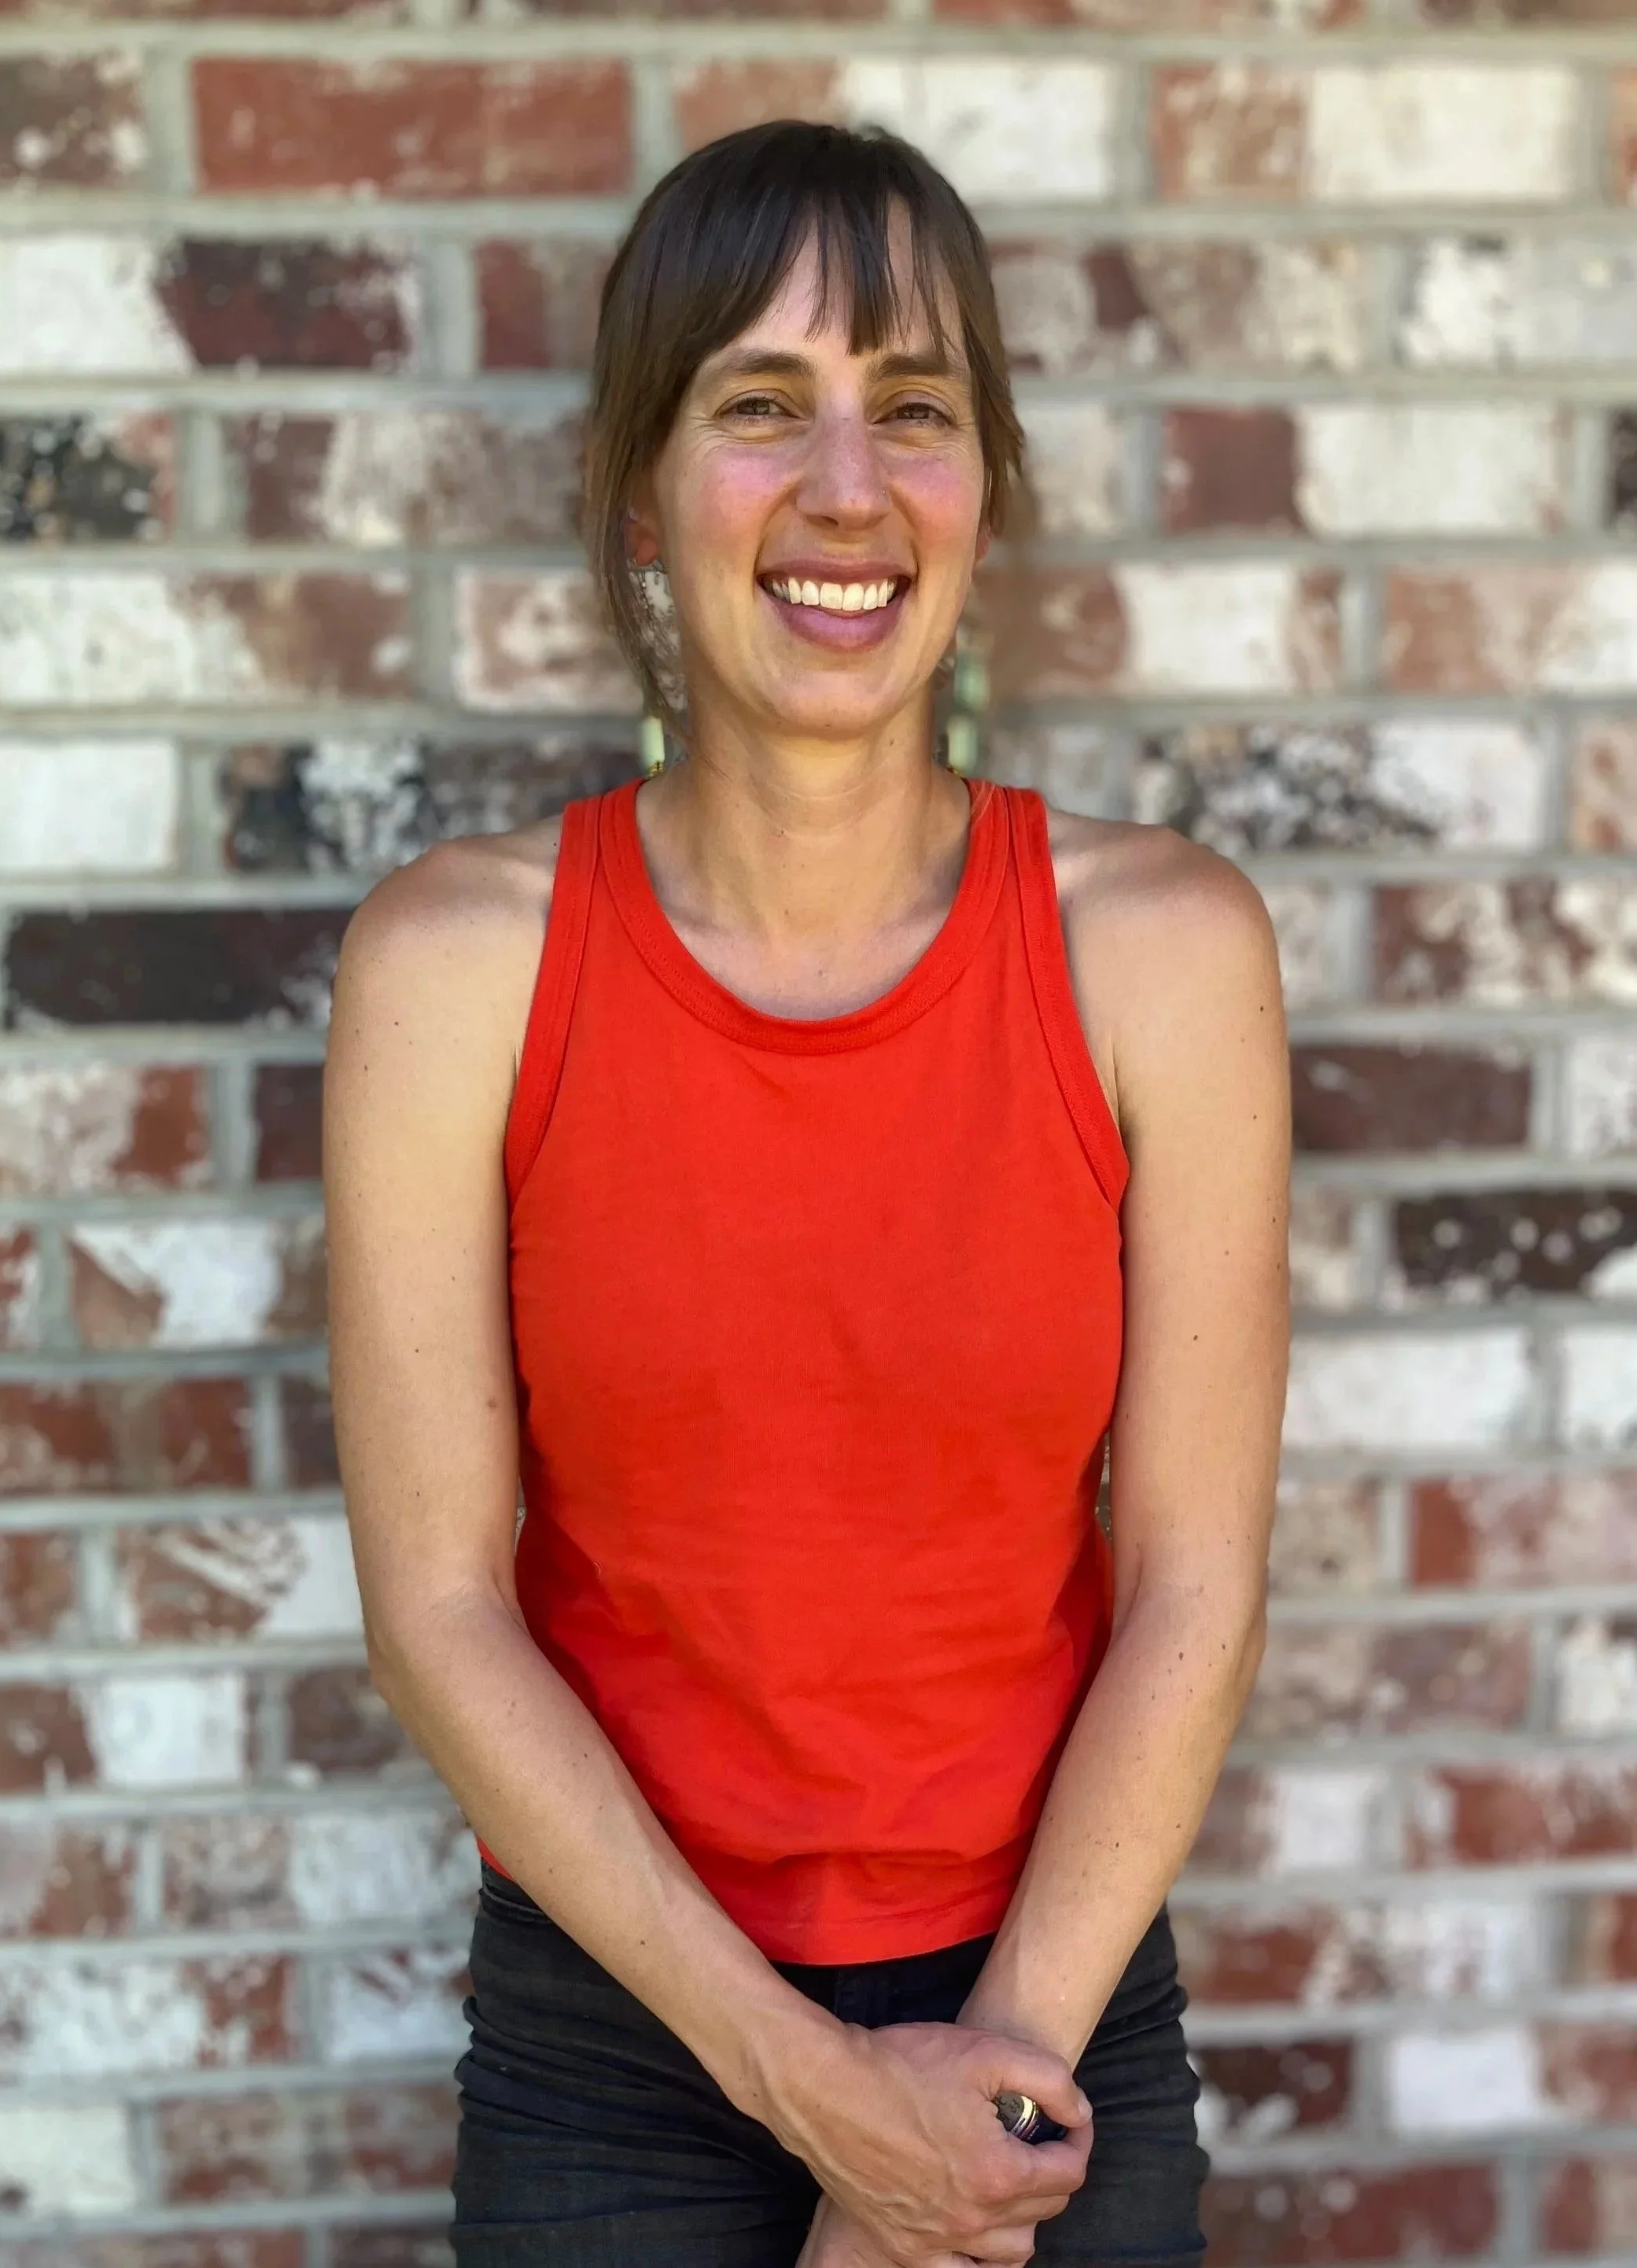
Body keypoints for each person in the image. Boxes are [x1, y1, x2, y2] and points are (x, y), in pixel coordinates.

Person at [323, 118, 1290, 2268]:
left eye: (915, 412)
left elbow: (1199, 1583)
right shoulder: (457, 974)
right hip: (622, 2053)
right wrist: (830, 2108)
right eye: (762, 409)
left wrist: (976, 2106)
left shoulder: (1163, 956)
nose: (847, 489)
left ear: (985, 489)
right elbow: (442, 1611)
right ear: (640, 494)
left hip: (1047, 2006)